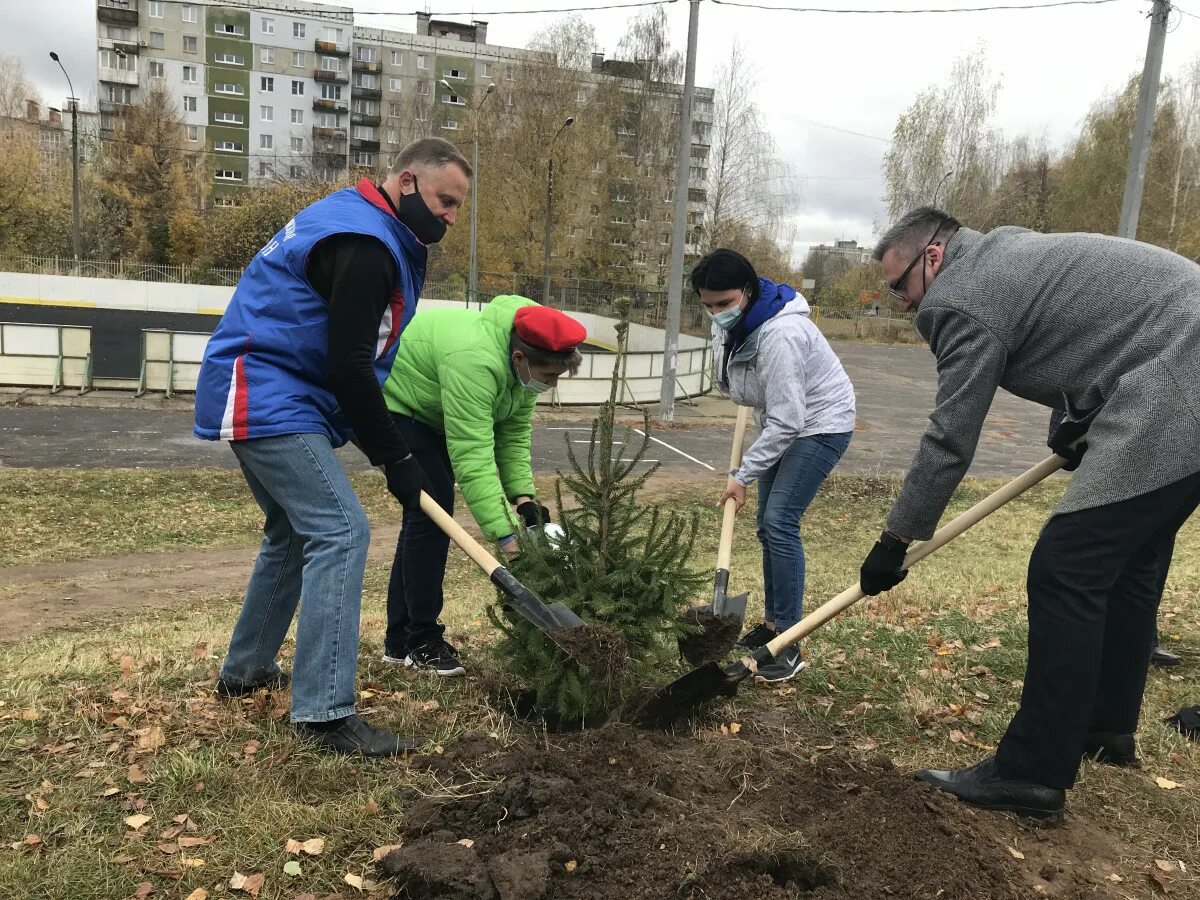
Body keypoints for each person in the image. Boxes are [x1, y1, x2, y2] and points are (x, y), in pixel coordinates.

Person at [859, 207, 1200, 821]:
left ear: (932, 257)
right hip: (1172, 361)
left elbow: (950, 435)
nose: (903, 304)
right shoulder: (1009, 254)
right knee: (1129, 560)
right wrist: (1074, 424)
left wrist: (897, 535)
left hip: (1177, 382)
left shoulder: (960, 297)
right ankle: (1105, 728)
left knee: (1066, 565)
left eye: (900, 285)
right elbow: (1084, 335)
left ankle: (1031, 772)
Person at [194, 138, 471, 756]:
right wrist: (397, 459)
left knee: (293, 533)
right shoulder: (368, 246)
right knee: (341, 529)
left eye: (458, 208)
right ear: (406, 183)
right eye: (444, 201)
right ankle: (323, 713)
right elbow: (348, 366)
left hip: (269, 389)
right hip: (265, 393)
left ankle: (244, 675)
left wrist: (391, 453)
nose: (451, 216)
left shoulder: (366, 225)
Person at [379, 296, 586, 675]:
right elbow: (474, 456)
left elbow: (512, 435)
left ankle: (398, 640)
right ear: (520, 358)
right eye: (549, 376)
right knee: (433, 509)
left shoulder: (522, 361)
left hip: (436, 411)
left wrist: (524, 501)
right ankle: (420, 640)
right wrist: (507, 540)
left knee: (424, 515)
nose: (551, 385)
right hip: (399, 405)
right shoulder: (474, 360)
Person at [693, 248, 856, 683]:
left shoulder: (781, 334)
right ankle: (771, 625)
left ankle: (787, 643)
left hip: (819, 425)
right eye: (707, 305)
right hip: (782, 421)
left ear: (747, 292)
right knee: (767, 524)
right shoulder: (736, 326)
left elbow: (790, 420)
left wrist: (742, 475)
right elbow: (742, 388)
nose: (715, 314)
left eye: (724, 304)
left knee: (780, 522)